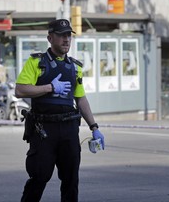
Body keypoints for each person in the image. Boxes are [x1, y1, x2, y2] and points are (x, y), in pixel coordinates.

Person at [15, 19, 105, 202]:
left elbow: (80, 98)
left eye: (68, 35)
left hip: (69, 129)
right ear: (50, 38)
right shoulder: (36, 63)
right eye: (61, 35)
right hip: (44, 130)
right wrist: (49, 88)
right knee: (39, 176)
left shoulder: (74, 67)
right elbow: (20, 90)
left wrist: (94, 127)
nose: (66, 40)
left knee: (71, 180)